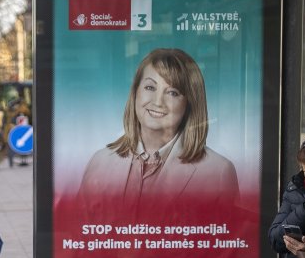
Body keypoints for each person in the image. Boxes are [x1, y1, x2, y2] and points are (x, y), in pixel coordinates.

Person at [75, 47, 237, 210]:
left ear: (189, 104)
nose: (158, 102)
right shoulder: (99, 162)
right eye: (150, 88)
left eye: (173, 93)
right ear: (135, 93)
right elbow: (79, 230)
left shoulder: (219, 173)